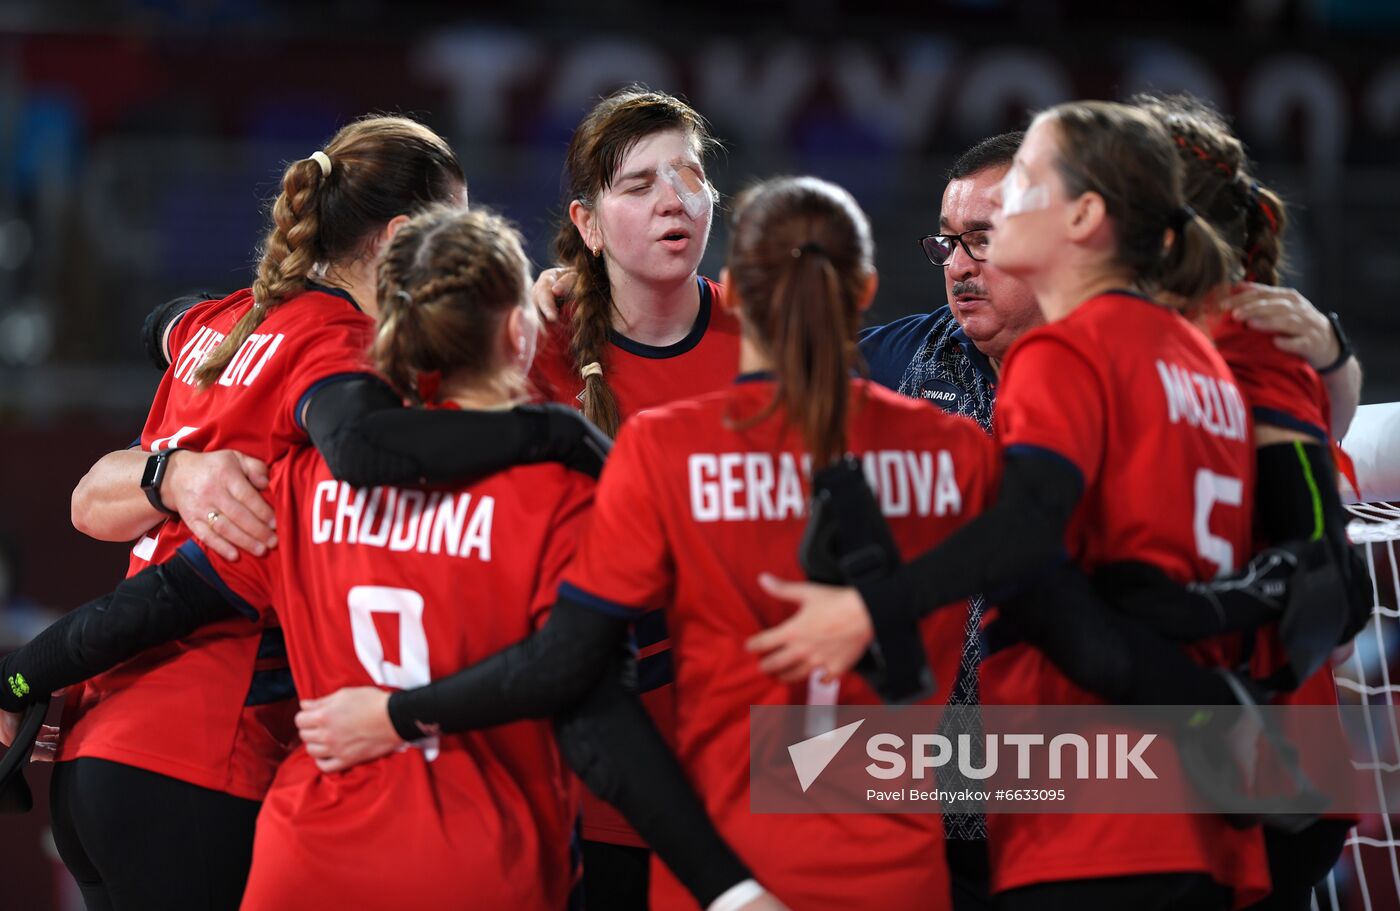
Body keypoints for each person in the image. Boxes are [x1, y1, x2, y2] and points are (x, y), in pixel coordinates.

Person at [0, 204, 784, 911]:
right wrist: (729, 886)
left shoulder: (304, 478)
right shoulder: (555, 499)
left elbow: (149, 604)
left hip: (304, 860)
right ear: (520, 335)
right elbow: (599, 712)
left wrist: (21, 679)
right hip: (478, 863)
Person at [46, 114, 610, 911]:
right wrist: (553, 428)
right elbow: (358, 448)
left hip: (97, 742)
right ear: (402, 237)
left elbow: (158, 327)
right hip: (212, 752)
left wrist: (25, 673)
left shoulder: (220, 323)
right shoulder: (342, 360)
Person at [750, 101, 1273, 910]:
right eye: (948, 241)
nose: (962, 261)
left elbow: (1039, 557)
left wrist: (865, 610)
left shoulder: (1069, 352)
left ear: (1082, 216)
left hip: (1077, 809)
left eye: (1016, 197)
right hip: (1192, 813)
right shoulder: (1201, 363)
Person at [520, 84, 745, 907]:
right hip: (582, 797)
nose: (672, 200)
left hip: (744, 790)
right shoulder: (526, 350)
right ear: (585, 223)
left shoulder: (771, 346)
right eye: (638, 184)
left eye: (687, 176)